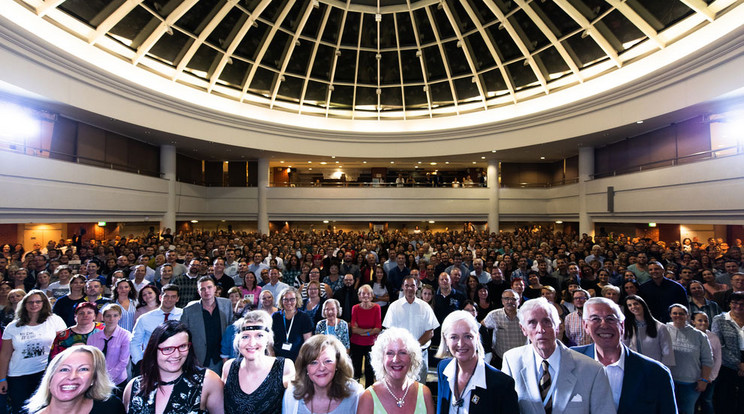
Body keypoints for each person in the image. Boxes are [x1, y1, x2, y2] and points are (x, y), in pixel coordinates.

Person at [501, 297, 615, 414]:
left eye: (547, 322)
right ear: (523, 329)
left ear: (558, 327)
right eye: (532, 323)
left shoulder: (592, 369)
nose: (541, 329)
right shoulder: (511, 361)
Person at [571, 297, 677, 414]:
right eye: (595, 319)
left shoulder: (656, 372)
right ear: (586, 326)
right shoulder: (571, 361)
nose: (604, 325)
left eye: (610, 319)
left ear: (622, 325)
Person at [123, 321, 223, 414]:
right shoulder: (134, 387)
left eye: (182, 346)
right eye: (168, 349)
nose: (176, 355)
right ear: (153, 350)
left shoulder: (207, 381)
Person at [435, 311, 518, 414]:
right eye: (454, 337)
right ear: (445, 340)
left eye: (467, 336)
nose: (461, 344)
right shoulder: (443, 368)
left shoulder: (502, 384)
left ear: (477, 337)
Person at [0, 290, 67, 414]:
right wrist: (2, 379)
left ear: (44, 303)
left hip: (45, 373)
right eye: (30, 302)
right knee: (20, 410)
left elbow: (63, 346)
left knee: (44, 409)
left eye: (37, 301)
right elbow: (5, 355)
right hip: (18, 375)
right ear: (24, 305)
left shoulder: (54, 320)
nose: (34, 304)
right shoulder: (13, 326)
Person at [222, 311, 295, 414]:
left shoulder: (284, 367)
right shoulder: (229, 367)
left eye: (259, 336)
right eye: (245, 336)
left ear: (267, 340)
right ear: (238, 341)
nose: (252, 343)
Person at [24, 345, 125, 414]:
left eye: (83, 369)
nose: (72, 377)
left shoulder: (111, 408)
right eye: (64, 369)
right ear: (50, 378)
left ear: (94, 379)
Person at [357, 327, 435, 414]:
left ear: (412, 357)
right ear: (381, 358)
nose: (396, 359)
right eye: (390, 353)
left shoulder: (424, 394)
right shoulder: (368, 398)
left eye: (402, 352)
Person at [282, 334, 363, 413]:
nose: (321, 368)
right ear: (305, 367)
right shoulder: (291, 396)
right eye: (313, 362)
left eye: (328, 361)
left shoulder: (356, 396)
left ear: (337, 364)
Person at [382, 276, 440, 384]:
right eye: (407, 285)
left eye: (412, 285)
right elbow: (389, 332)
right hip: (398, 356)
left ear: (417, 287)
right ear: (402, 287)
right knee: (399, 387)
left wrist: (413, 347)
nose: (410, 288)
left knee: (419, 389)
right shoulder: (394, 307)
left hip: (420, 354)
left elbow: (430, 332)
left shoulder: (425, 307)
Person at [666, 303, 713, 414]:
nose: (678, 316)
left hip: (690, 384)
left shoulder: (699, 335)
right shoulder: (663, 330)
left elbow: (707, 360)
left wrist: (704, 380)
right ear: (670, 315)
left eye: (681, 313)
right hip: (667, 381)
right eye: (675, 313)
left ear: (687, 315)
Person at [180, 276, 233, 373]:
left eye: (209, 287)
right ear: (198, 291)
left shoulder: (226, 304)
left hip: (223, 357)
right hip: (200, 359)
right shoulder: (188, 311)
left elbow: (231, 330)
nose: (206, 291)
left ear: (215, 288)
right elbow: (183, 337)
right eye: (202, 289)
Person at [129, 284, 182, 368]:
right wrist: (139, 362)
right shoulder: (144, 318)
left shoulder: (184, 316)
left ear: (177, 299)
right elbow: (135, 342)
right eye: (166, 296)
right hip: (151, 363)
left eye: (173, 297)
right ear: (160, 297)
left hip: (177, 363)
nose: (169, 299)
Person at [87, 303, 132, 396]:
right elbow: (89, 360)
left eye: (115, 315)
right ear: (103, 317)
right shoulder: (93, 337)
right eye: (108, 316)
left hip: (118, 381)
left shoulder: (126, 335)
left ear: (120, 317)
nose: (111, 319)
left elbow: (123, 361)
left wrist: (107, 378)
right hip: (97, 380)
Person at [710, 291, 744, 414]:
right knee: (726, 399)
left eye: (742, 304)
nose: (738, 307)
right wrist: (738, 364)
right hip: (727, 363)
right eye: (735, 303)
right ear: (729, 304)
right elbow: (719, 345)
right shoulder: (720, 319)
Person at [621, 295, 675, 366]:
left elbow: (667, 352)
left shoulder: (660, 327)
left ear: (643, 305)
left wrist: (664, 369)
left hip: (654, 367)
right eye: (629, 305)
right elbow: (623, 347)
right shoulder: (627, 326)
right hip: (635, 366)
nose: (633, 307)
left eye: (636, 303)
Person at [481, 289, 526, 369]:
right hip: (500, 358)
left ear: (519, 301)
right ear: (502, 301)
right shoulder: (494, 315)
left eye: (513, 299)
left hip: (522, 358)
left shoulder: (525, 316)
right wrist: (488, 349)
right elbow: (481, 329)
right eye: (506, 299)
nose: (509, 301)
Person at [350, 284, 381, 386]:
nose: (365, 296)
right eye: (363, 293)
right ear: (359, 296)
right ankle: (355, 393)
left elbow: (377, 328)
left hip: (371, 343)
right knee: (356, 370)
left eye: (368, 294)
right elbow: (353, 330)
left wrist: (363, 332)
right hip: (356, 343)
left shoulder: (377, 308)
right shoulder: (355, 308)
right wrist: (369, 331)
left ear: (372, 296)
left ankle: (369, 393)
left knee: (370, 370)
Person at [691, 311, 721, 414]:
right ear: (693, 322)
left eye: (706, 320)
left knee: (706, 401)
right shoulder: (689, 335)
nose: (703, 323)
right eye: (700, 320)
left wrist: (711, 377)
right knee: (692, 403)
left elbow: (718, 359)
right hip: (692, 377)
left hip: (709, 378)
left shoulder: (714, 337)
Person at [272, 287, 313, 361]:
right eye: (285, 299)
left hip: (298, 358)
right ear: (281, 300)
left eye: (292, 299)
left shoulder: (304, 317)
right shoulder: (275, 317)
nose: (289, 302)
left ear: (297, 300)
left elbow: (307, 342)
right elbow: (270, 340)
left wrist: (301, 359)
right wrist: (272, 357)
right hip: (277, 358)